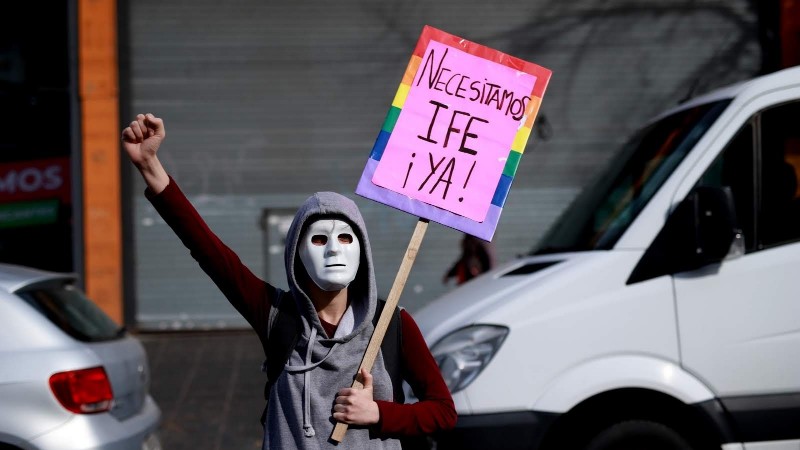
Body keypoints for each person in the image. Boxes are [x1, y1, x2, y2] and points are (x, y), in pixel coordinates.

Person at [122, 113, 456, 449]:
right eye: (319, 240)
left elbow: (443, 413)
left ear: (362, 250)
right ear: (297, 254)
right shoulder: (277, 316)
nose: (333, 251)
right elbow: (209, 252)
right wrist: (150, 165)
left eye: (344, 238)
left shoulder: (392, 325)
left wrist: (379, 414)